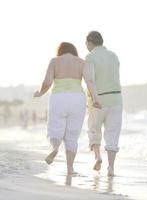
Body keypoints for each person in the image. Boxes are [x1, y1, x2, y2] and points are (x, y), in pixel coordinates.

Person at [34, 42, 101, 175]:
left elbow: (47, 82)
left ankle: (54, 148)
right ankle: (70, 168)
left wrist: (40, 93)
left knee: (55, 128)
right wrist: (95, 99)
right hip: (77, 99)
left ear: (60, 51)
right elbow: (90, 82)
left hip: (58, 98)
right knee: (72, 135)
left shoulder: (54, 61)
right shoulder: (81, 62)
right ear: (73, 51)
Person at [85, 31, 123, 176]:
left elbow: (90, 80)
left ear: (89, 43)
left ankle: (98, 156)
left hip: (98, 99)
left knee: (94, 129)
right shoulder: (113, 55)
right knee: (112, 134)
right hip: (116, 99)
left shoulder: (90, 57)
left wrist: (95, 98)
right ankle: (111, 168)